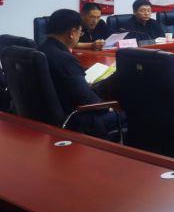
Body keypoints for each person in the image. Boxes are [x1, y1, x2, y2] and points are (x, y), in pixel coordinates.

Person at [38, 9, 121, 139]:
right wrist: (108, 108)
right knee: (130, 115)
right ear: (72, 33)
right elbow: (86, 99)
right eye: (80, 32)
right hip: (78, 119)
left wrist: (82, 85)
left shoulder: (41, 50)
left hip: (47, 117)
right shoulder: (65, 58)